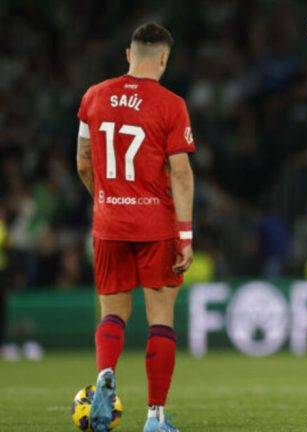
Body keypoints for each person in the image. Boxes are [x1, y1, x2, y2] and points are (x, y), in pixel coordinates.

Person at [76, 22, 195, 432]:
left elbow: (83, 161)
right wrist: (186, 235)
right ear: (164, 58)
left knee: (112, 315)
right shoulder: (171, 104)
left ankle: (106, 375)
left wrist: (107, 201)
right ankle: (155, 418)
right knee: (160, 319)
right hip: (155, 225)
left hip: (109, 223)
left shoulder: (93, 96)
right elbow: (180, 173)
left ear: (128, 55)